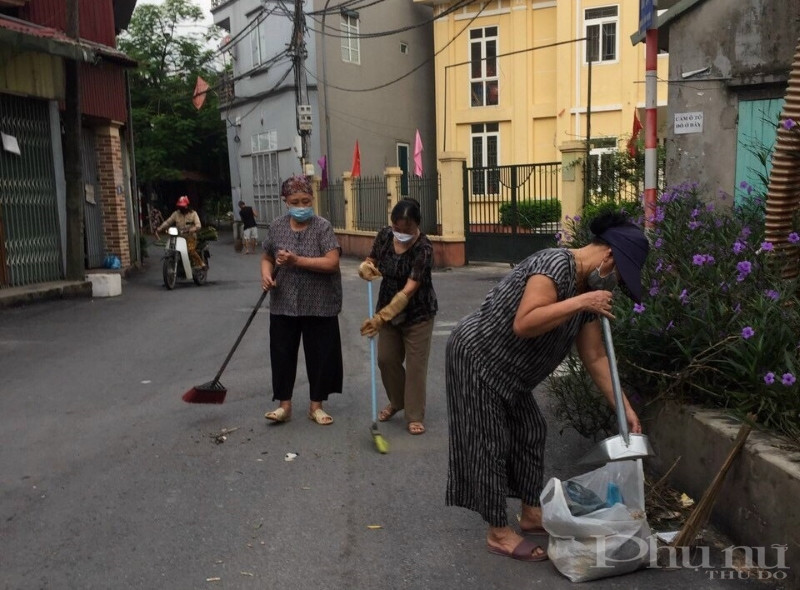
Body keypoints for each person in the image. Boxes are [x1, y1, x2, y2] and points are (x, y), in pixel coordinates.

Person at [445, 211, 649, 562]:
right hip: (478, 358)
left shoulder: (589, 290)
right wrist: (583, 301)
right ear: (609, 258)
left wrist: (625, 409)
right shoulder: (555, 264)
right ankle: (498, 531)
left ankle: (530, 512)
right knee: (488, 441)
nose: (616, 283)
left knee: (531, 431)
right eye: (619, 276)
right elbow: (525, 322)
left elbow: (595, 357)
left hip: (513, 374)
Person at [260, 175, 343, 426]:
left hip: (320, 303)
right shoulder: (276, 227)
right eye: (295, 201)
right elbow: (267, 255)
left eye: (305, 200)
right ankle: (284, 405)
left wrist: (297, 260)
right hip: (284, 301)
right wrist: (265, 274)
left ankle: (316, 406)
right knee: (282, 353)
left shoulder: (322, 227)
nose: (301, 206)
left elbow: (332, 262)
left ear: (312, 199)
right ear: (285, 201)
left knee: (320, 354)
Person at [359, 199, 438, 435]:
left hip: (417, 313)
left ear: (417, 226)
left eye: (407, 230)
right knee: (385, 359)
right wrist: (366, 267)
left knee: (415, 366)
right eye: (397, 228)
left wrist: (381, 318)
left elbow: (409, 289)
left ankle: (414, 415)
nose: (401, 233)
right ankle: (397, 401)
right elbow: (372, 259)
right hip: (387, 308)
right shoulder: (384, 236)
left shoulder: (424, 249)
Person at [155, 196, 204, 269]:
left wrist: (192, 229)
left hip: (190, 237)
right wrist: (160, 228)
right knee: (171, 249)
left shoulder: (193, 214)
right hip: (178, 238)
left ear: (187, 206)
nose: (181, 208)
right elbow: (168, 222)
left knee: (190, 251)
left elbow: (198, 225)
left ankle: (201, 264)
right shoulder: (176, 214)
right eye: (180, 206)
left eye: (183, 206)